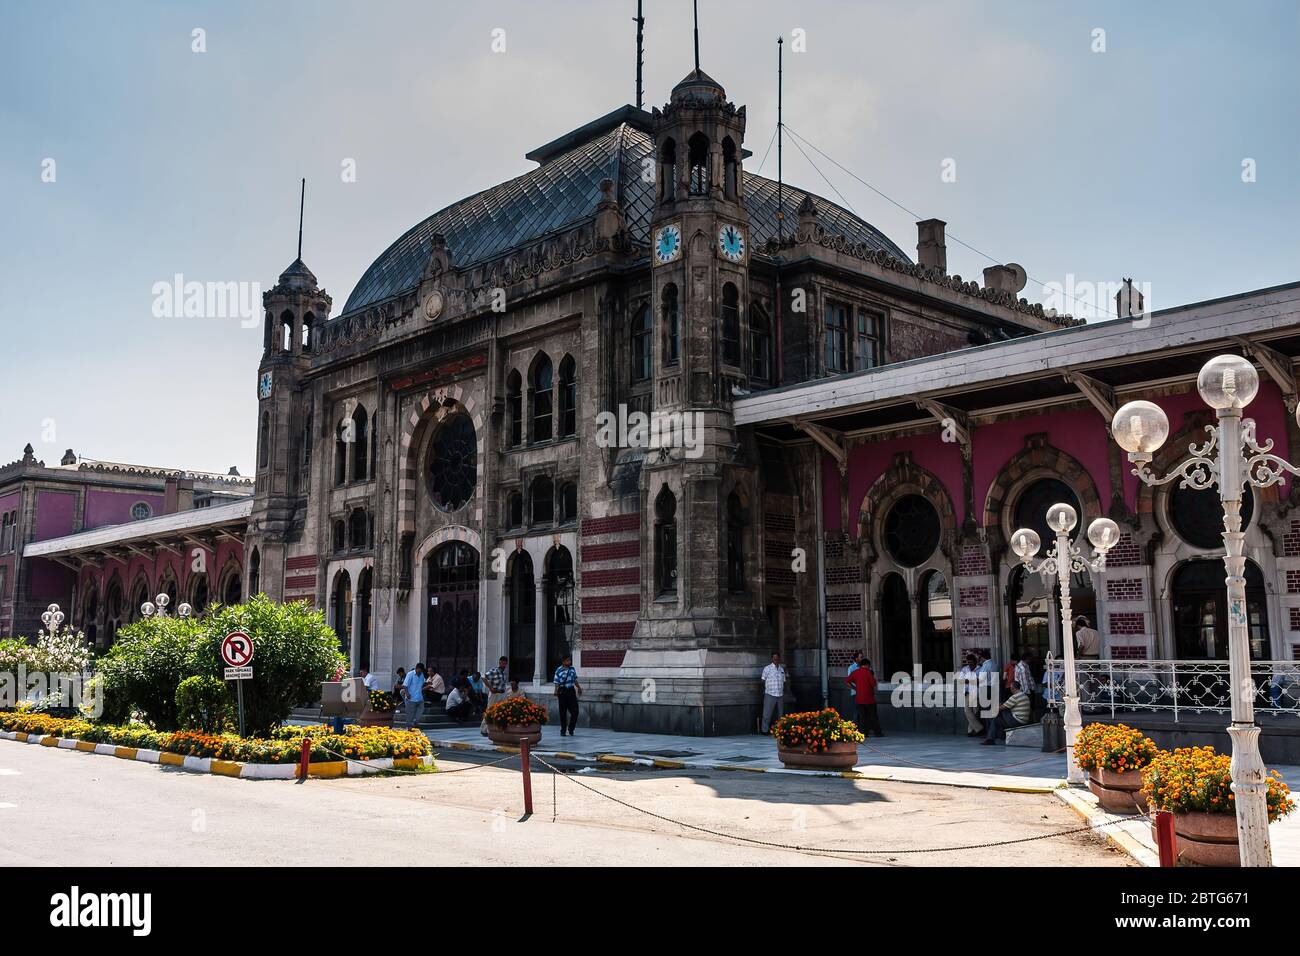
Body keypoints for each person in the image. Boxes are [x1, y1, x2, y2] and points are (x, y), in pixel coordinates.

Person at [983, 680, 1032, 745]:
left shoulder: (1015, 697)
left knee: (999, 714)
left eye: (1011, 688)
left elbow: (1001, 708)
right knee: (997, 719)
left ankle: (990, 739)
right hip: (1023, 720)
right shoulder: (1025, 695)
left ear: (1012, 688)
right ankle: (996, 737)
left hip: (1016, 721)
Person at [845, 657, 882, 737]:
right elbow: (873, 684)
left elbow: (847, 681)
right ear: (867, 665)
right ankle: (877, 732)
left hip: (859, 698)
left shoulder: (855, 672)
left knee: (862, 717)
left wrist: (854, 688)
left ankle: (864, 733)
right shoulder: (868, 672)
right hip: (869, 699)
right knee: (873, 716)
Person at [480, 656, 510, 736]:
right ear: (499, 663)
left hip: (502, 693)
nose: (503, 665)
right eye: (502, 663)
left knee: (501, 711)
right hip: (494, 694)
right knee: (490, 710)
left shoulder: (504, 673)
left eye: (505, 663)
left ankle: (497, 728)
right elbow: (483, 678)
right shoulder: (494, 671)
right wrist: (490, 688)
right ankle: (484, 729)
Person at [553, 654, 582, 736]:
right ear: (563, 661)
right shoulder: (559, 670)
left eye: (569, 660)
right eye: (567, 660)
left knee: (575, 711)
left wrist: (579, 688)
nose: (569, 662)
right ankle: (563, 730)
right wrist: (555, 690)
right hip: (562, 692)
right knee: (563, 712)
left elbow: (575, 679)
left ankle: (571, 728)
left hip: (571, 691)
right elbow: (556, 682)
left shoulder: (572, 669)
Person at [759, 652, 787, 734]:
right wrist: (767, 689)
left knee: (780, 714)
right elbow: (763, 680)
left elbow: (784, 681)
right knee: (767, 714)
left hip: (780, 694)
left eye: (777, 658)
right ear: (772, 658)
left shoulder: (781, 669)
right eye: (774, 658)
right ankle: (764, 730)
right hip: (770, 694)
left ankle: (779, 730)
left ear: (779, 658)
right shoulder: (767, 668)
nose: (776, 659)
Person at [959, 654, 983, 736]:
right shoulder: (964, 669)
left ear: (975, 662)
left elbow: (980, 681)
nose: (970, 664)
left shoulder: (980, 669)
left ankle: (970, 731)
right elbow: (960, 681)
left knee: (975, 712)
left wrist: (968, 680)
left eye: (971, 662)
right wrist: (973, 680)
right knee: (967, 711)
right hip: (967, 693)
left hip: (976, 693)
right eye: (968, 663)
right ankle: (979, 728)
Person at [402, 663, 427, 729]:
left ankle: (415, 723)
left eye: (421, 671)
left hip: (419, 697)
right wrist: (407, 694)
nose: (420, 672)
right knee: (410, 713)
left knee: (420, 711)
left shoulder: (422, 675)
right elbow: (405, 685)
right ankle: (409, 727)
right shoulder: (410, 674)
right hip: (411, 697)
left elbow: (423, 683)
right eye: (419, 670)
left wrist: (428, 684)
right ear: (417, 668)